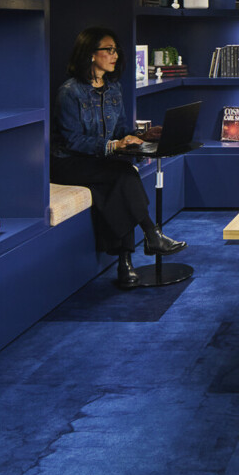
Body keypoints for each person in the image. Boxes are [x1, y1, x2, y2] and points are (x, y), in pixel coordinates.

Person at [51, 26, 186, 289]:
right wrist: (113, 146)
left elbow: (122, 130)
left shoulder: (113, 89)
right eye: (108, 50)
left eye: (115, 50)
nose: (114, 55)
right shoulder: (70, 92)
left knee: (119, 181)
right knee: (123, 174)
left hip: (98, 161)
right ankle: (150, 234)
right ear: (91, 54)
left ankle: (127, 263)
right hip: (67, 162)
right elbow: (72, 141)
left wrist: (143, 136)